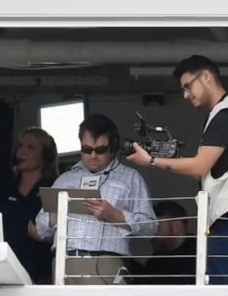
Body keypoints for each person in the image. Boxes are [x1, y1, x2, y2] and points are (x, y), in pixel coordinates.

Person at [125, 55, 228, 285]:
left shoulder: (226, 111)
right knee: (223, 288)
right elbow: (200, 170)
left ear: (207, 76)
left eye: (187, 86)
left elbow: (199, 165)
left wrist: (151, 161)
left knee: (225, 291)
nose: (185, 95)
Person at [30, 113, 156, 285]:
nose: (93, 155)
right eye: (87, 149)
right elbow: (41, 230)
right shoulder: (65, 179)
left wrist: (114, 215)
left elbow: (151, 227)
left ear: (113, 147)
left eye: (101, 150)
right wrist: (55, 215)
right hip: (63, 261)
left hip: (106, 260)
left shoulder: (131, 178)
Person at [0, 128, 57, 283]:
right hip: (3, 271)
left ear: (45, 155)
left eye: (30, 147)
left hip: (41, 274)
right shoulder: (4, 188)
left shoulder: (53, 187)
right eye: (20, 146)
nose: (22, 152)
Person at [131, 201, 198, 285]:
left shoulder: (198, 253)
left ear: (177, 226)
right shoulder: (155, 262)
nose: (153, 233)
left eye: (157, 227)